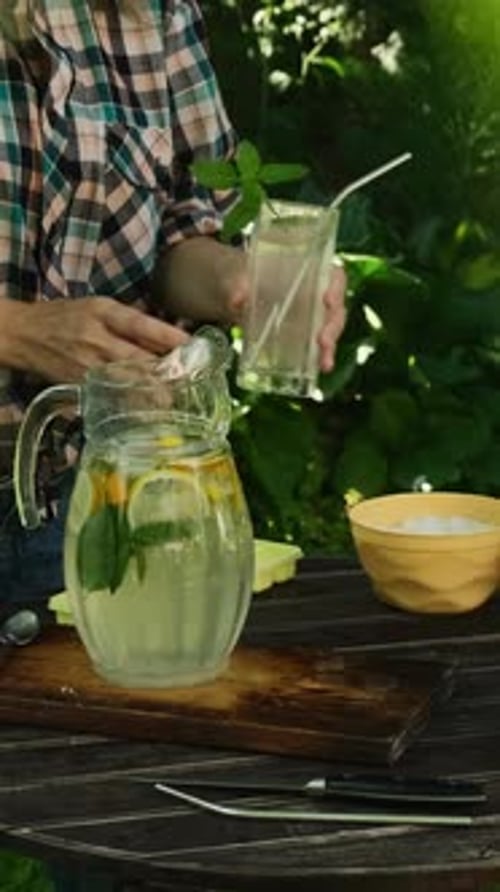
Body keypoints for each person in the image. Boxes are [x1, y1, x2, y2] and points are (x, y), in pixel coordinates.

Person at [0, 1, 346, 888]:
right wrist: (19, 330)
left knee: (121, 830)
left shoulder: (152, 15)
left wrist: (233, 281)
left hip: (78, 498)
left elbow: (173, 228)